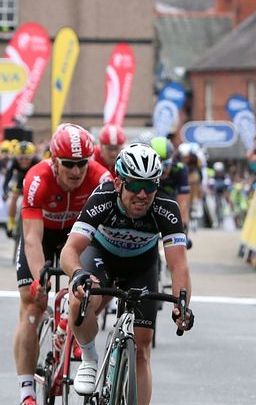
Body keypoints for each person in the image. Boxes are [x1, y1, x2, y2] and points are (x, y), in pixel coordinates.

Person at [62, 143, 193, 405]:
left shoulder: (166, 207)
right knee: (81, 300)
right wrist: (77, 273)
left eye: (150, 186)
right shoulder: (103, 198)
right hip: (102, 257)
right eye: (134, 185)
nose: (143, 194)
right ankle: (89, 357)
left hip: (141, 265)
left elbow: (178, 264)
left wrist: (182, 305)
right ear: (118, 182)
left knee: (142, 346)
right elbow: (71, 249)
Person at [13, 123, 110, 405]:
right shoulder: (37, 178)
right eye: (68, 164)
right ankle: (27, 392)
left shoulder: (101, 179)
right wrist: (39, 281)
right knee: (33, 305)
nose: (76, 171)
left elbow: (105, 238)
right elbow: (32, 238)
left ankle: (73, 328)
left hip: (78, 236)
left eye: (82, 163)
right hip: (43, 235)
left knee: (96, 288)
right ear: (54, 161)